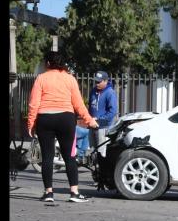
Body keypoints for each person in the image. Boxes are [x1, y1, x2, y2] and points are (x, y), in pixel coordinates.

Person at [27, 51, 99, 202]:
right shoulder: (70, 79)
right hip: (65, 119)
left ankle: (48, 193)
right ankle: (74, 193)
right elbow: (78, 104)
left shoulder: (41, 78)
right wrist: (90, 120)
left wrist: (31, 124)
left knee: (47, 158)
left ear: (47, 63)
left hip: (45, 119)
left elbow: (34, 104)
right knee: (69, 157)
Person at [75, 70, 118, 162]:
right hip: (92, 125)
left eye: (99, 81)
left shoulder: (110, 93)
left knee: (101, 151)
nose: (97, 83)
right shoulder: (93, 91)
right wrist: (89, 119)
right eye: (96, 81)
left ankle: (102, 169)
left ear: (106, 81)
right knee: (93, 150)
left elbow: (113, 111)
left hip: (103, 127)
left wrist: (99, 119)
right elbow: (90, 107)